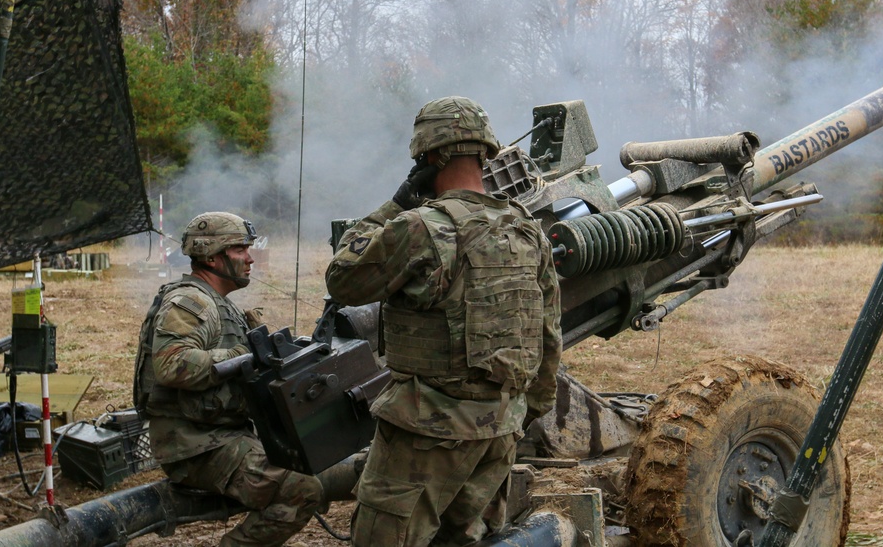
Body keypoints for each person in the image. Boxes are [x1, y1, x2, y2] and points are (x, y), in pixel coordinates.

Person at [325, 96, 563, 546]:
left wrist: (394, 205)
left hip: (424, 435)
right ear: (485, 153)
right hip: (499, 430)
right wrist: (516, 414)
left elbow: (343, 278)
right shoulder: (527, 229)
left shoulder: (419, 227)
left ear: (430, 157)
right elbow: (549, 336)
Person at [133, 212, 322, 547]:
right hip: (195, 444)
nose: (250, 258)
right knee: (301, 490)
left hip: (220, 434)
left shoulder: (220, 304)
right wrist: (240, 355)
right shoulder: (190, 302)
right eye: (239, 250)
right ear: (211, 256)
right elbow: (171, 364)